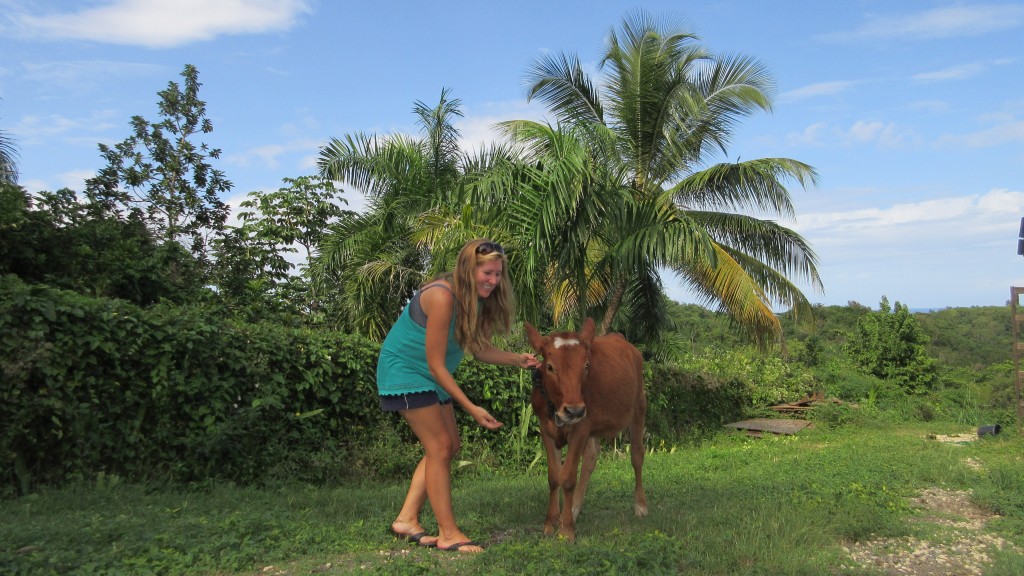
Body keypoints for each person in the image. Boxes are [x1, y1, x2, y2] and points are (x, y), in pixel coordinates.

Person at [376, 238, 540, 554]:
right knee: (438, 447)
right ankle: (448, 533)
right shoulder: (441, 296)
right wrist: (470, 406)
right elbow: (437, 365)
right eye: (488, 273)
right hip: (406, 372)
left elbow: (478, 349)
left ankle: (407, 519)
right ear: (468, 269)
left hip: (429, 376)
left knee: (450, 445)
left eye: (498, 275)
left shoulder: (476, 300)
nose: (493, 281)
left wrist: (516, 359)